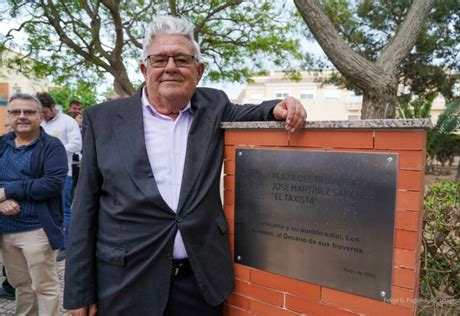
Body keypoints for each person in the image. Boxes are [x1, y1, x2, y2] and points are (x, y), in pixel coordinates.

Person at [63, 15, 306, 316]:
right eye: (160, 59)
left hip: (199, 284)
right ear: (144, 68)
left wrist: (280, 107)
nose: (170, 68)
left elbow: (251, 112)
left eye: (181, 59)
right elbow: (85, 206)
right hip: (126, 283)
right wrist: (78, 290)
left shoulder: (214, 106)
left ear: (198, 70)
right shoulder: (103, 120)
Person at [0, 93, 68, 315]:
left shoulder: (52, 146)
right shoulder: (2, 145)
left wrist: (8, 190)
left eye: (28, 112)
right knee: (21, 285)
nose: (22, 116)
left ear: (40, 116)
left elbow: (52, 184)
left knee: (44, 286)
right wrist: (2, 201)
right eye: (15, 112)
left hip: (37, 229)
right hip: (6, 230)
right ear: (8, 116)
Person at [37, 92, 82, 262]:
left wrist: (54, 150)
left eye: (44, 112)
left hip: (64, 174)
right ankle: (52, 240)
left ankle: (66, 245)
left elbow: (77, 145)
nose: (42, 116)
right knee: (48, 208)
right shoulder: (40, 123)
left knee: (63, 209)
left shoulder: (68, 122)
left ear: (52, 108)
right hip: (41, 175)